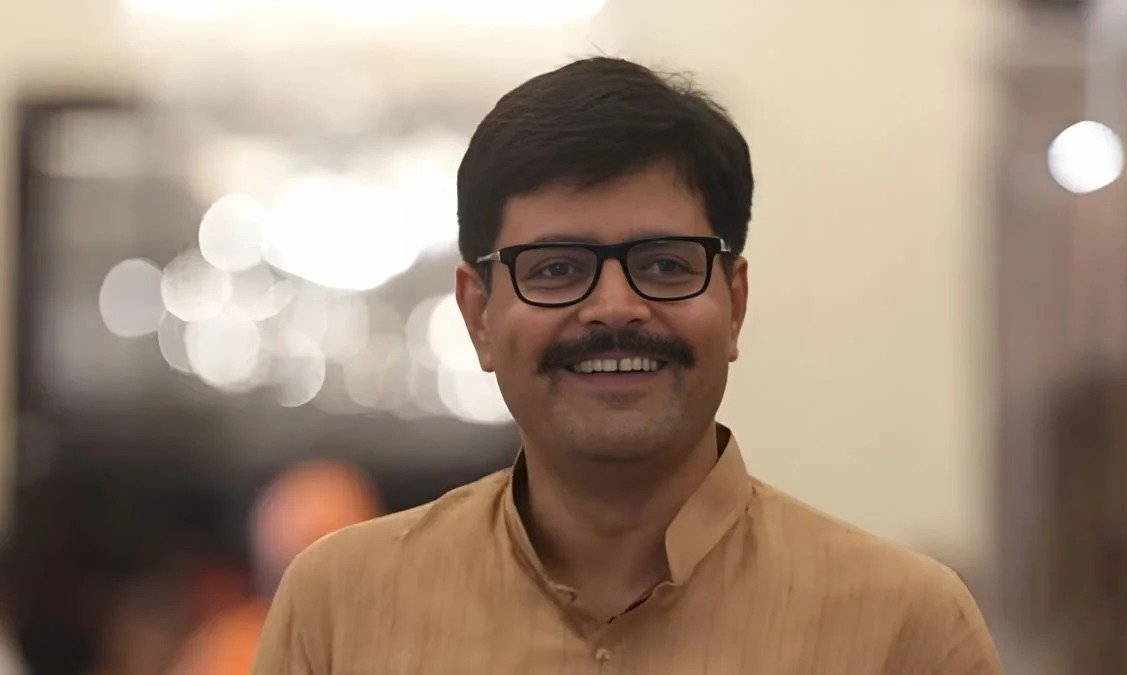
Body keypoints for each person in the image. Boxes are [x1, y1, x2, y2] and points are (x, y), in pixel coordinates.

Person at [252, 56, 1002, 673]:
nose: (615, 308)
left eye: (665, 265)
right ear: (479, 315)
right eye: (556, 269)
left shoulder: (904, 627)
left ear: (735, 304)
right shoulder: (341, 607)